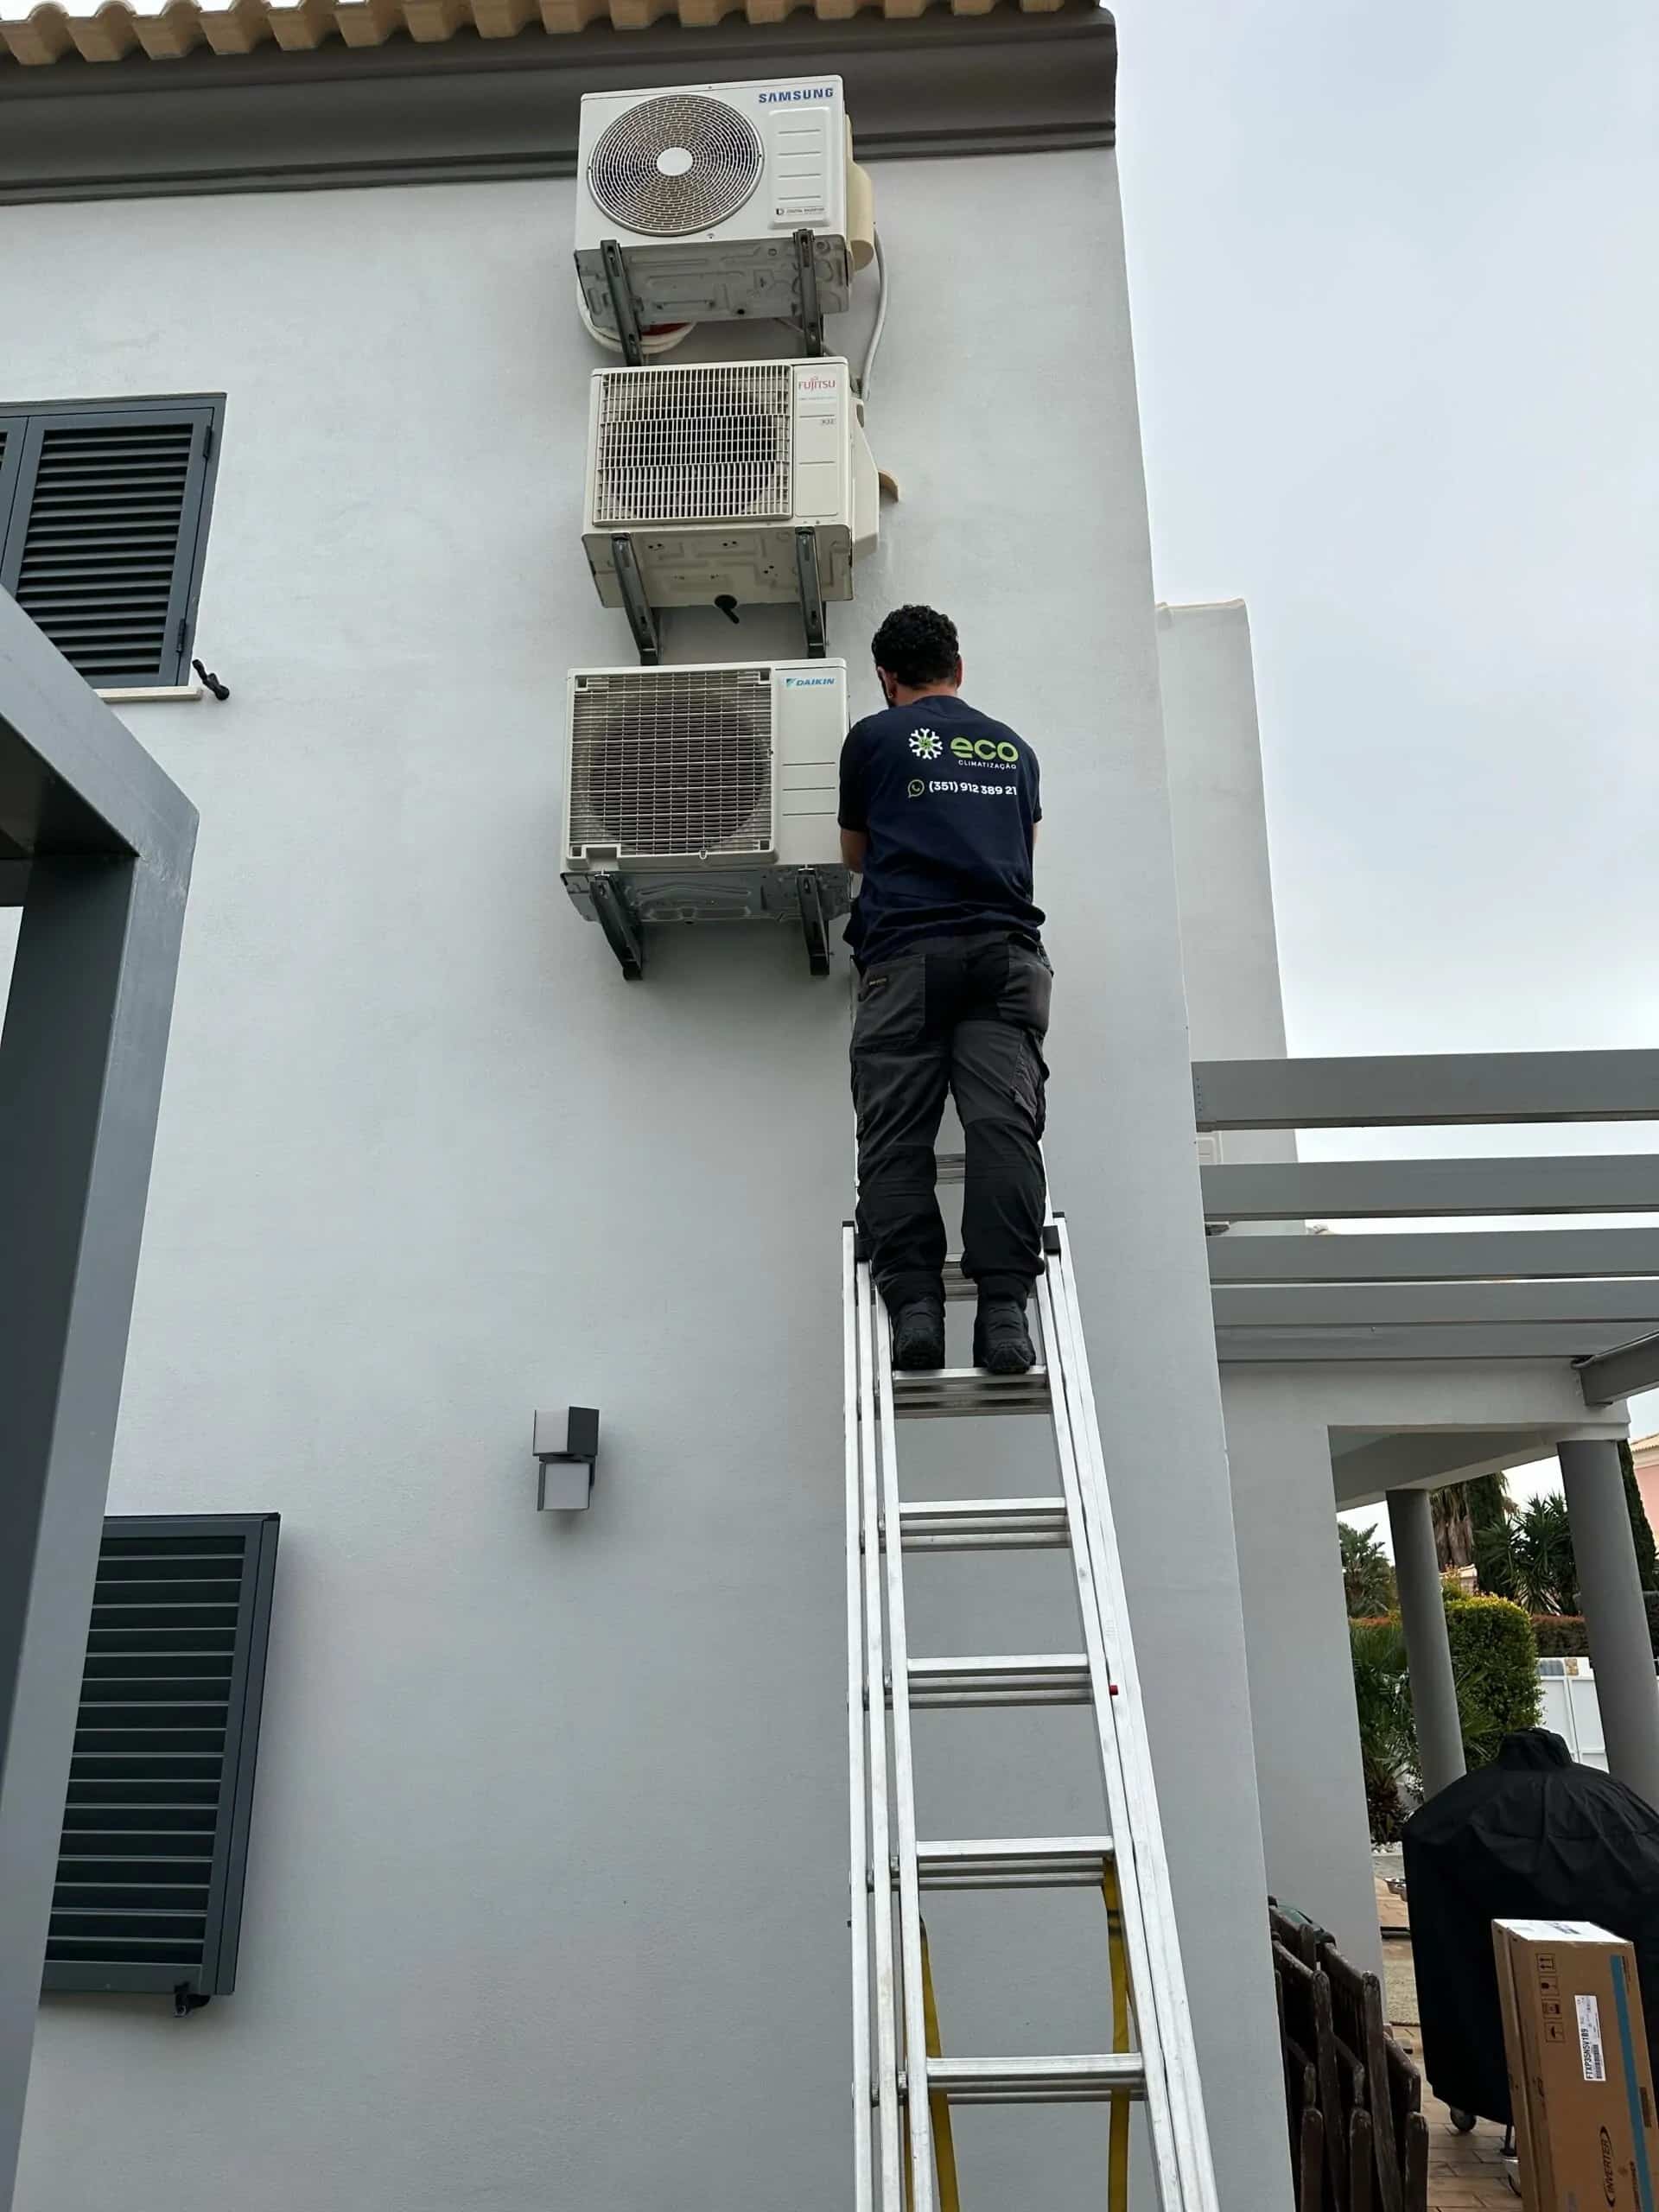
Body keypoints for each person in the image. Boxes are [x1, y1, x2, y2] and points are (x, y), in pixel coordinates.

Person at [837, 604, 1050, 1375]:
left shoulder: (873, 739)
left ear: (886, 677)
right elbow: (1023, 853)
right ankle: (1004, 1315)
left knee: (897, 1136)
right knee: (1002, 1128)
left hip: (906, 960)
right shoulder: (1014, 749)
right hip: (1004, 960)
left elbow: (856, 854)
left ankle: (916, 1312)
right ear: (958, 668)